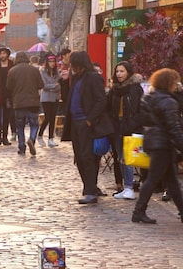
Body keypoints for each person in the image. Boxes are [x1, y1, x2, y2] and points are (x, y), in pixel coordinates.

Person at [131, 68, 183, 224]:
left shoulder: (148, 98)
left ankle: (181, 211)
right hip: (163, 144)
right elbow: (173, 126)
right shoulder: (168, 101)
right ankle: (138, 212)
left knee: (172, 180)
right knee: (152, 179)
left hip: (153, 141)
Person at [62, 51, 114, 205]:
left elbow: (100, 100)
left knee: (88, 157)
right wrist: (64, 82)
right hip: (76, 123)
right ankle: (89, 187)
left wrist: (90, 120)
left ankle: (91, 191)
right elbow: (68, 99)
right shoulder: (77, 78)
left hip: (86, 124)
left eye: (73, 64)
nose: (71, 67)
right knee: (80, 157)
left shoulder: (93, 77)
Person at [107, 61, 144, 199]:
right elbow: (108, 107)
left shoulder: (135, 88)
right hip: (117, 126)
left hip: (131, 126)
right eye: (117, 71)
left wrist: (134, 123)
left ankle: (129, 187)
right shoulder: (114, 89)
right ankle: (126, 186)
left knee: (128, 157)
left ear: (128, 72)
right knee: (120, 157)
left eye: (122, 71)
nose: (119, 74)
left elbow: (141, 110)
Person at [6, 51, 44, 156]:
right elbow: (41, 85)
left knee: (20, 126)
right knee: (34, 124)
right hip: (33, 102)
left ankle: (22, 147)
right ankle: (32, 139)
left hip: (18, 102)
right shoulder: (34, 70)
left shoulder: (12, 71)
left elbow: (8, 87)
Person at [38, 55, 62, 147]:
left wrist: (53, 86)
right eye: (50, 62)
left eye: (53, 62)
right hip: (46, 98)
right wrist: (53, 86)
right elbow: (43, 85)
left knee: (53, 118)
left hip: (55, 97)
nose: (52, 63)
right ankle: (40, 135)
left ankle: (50, 138)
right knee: (48, 117)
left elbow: (59, 84)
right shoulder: (43, 72)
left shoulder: (57, 73)